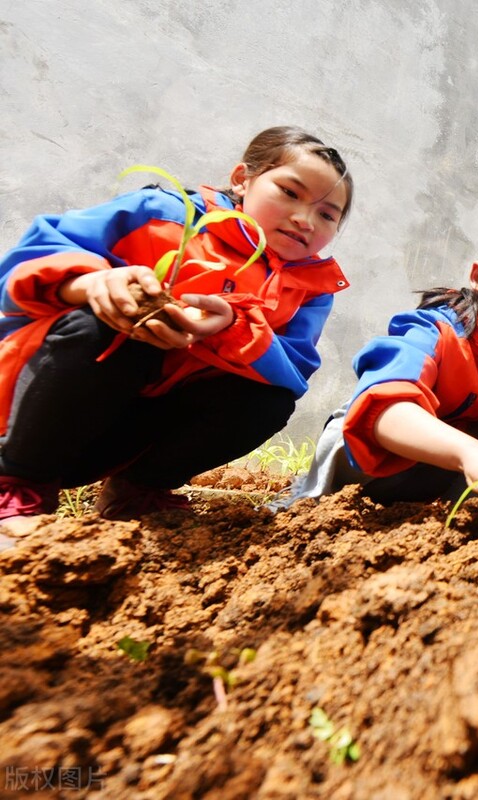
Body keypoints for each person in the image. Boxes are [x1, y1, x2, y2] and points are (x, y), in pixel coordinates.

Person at [0, 126, 354, 546]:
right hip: (39, 412)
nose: (304, 219)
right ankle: (19, 486)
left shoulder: (310, 287)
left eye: (327, 214)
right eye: (290, 193)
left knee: (268, 401)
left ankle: (138, 490)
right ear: (242, 179)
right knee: (103, 330)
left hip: (129, 433)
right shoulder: (163, 213)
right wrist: (92, 284)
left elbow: (292, 371)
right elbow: (23, 266)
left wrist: (233, 326)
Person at [277, 217, 478, 534]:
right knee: (474, 443)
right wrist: (472, 454)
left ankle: (454, 527)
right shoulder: (437, 329)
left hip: (431, 484)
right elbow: (384, 408)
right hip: (363, 463)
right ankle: (298, 500)